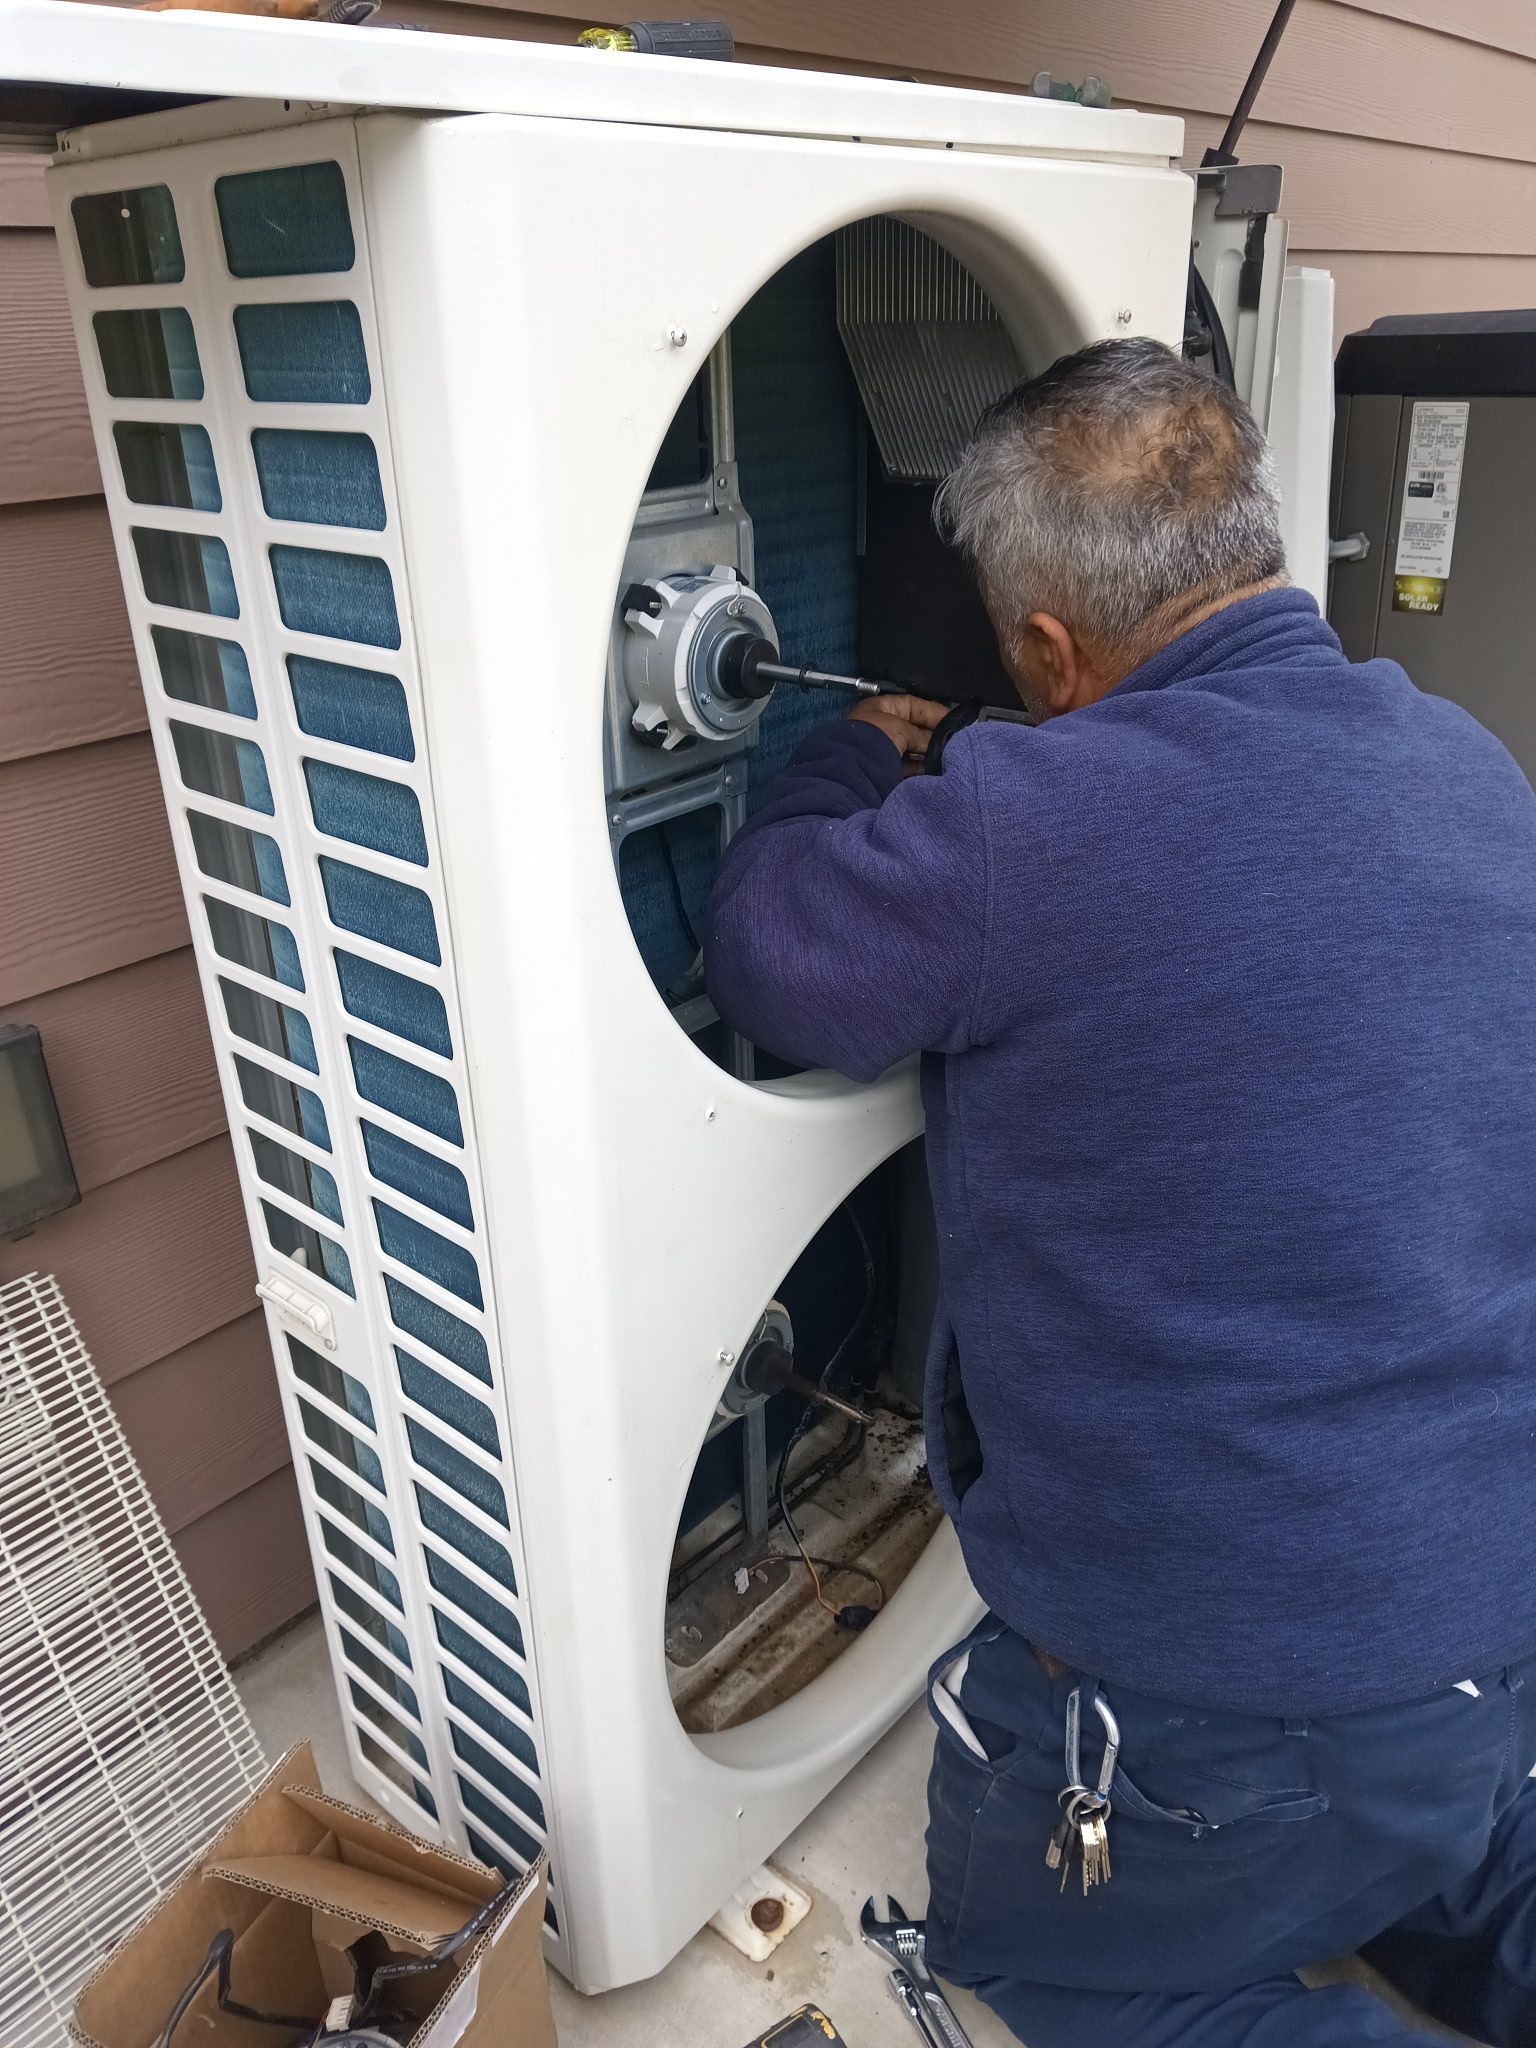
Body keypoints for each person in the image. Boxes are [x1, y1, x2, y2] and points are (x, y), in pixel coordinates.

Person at [704, 337, 1536, 2047]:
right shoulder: (1474, 772)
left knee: (1044, 1951)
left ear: (1049, 653)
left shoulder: (1027, 824)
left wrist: (853, 759)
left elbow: (780, 955)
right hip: (1486, 1623)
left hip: (1226, 1683)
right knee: (1443, 1845)